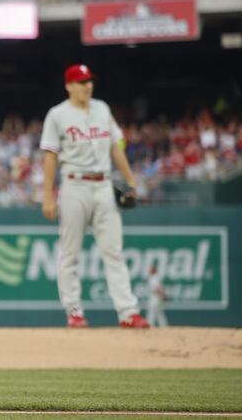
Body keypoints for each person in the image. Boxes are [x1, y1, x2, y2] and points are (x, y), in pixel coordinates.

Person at [40, 64, 150, 329]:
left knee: (114, 251)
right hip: (74, 185)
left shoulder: (102, 109)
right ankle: (74, 312)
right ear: (69, 86)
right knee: (70, 253)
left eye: (89, 80)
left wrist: (131, 181)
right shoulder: (57, 115)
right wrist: (46, 195)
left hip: (104, 186)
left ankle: (127, 312)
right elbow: (50, 156)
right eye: (81, 81)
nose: (87, 85)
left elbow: (116, 147)